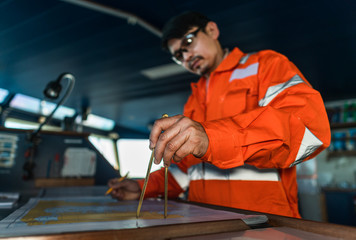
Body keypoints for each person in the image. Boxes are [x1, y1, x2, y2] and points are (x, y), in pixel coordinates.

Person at [108, 11, 331, 218]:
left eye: (188, 42)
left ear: (212, 30)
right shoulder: (193, 100)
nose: (186, 56)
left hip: (265, 224)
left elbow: (310, 130)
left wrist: (212, 138)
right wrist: (142, 187)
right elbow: (187, 170)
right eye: (178, 55)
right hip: (203, 223)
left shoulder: (265, 66)